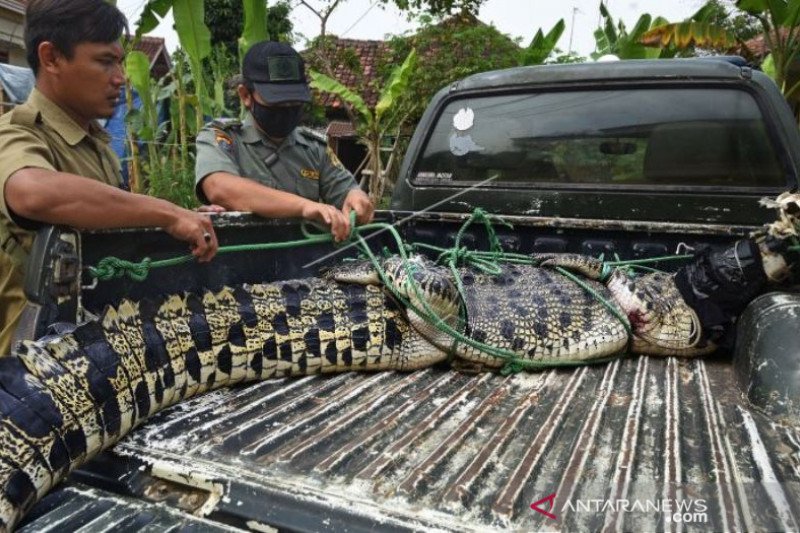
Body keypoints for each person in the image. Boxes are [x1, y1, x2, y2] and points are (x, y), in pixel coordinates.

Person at [0, 0, 219, 355]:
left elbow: (115, 221)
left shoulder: (97, 145)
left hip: (100, 346)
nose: (120, 77)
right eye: (105, 61)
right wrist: (167, 213)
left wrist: (191, 217)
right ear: (51, 58)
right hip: (32, 366)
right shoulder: (16, 134)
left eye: (119, 61)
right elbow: (33, 193)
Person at [194, 41, 374, 242]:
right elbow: (219, 187)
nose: (287, 108)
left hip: (303, 263)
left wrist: (357, 200)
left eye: (294, 102)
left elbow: (347, 191)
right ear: (245, 95)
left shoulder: (315, 148)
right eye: (277, 101)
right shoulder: (223, 138)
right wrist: (305, 207)